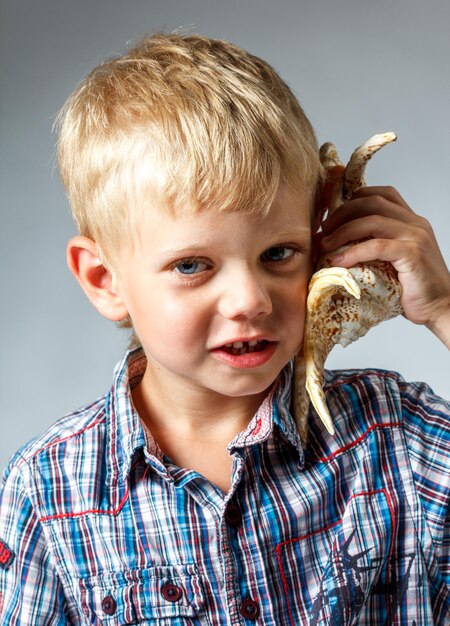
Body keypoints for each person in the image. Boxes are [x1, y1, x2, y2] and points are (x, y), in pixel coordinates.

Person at [1, 32, 449, 625]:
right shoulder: (48, 492)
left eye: (279, 253)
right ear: (106, 280)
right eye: (192, 265)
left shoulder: (395, 436)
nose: (249, 300)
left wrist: (443, 307)